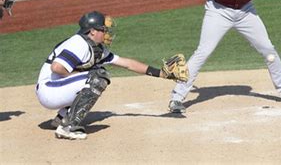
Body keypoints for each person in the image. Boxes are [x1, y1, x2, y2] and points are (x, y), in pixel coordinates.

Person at [36, 11, 188, 140]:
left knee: (94, 73)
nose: (107, 33)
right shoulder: (79, 43)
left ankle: (62, 118)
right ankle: (68, 127)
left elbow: (127, 63)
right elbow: (57, 67)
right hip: (49, 90)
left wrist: (161, 73)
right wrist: (83, 74)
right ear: (92, 31)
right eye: (103, 29)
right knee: (97, 77)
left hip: (57, 89)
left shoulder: (97, 49)